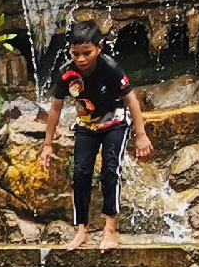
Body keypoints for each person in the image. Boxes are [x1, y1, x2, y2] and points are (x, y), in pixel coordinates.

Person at [37, 20, 155, 252]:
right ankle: (81, 230)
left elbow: (131, 99)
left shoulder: (109, 67)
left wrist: (140, 134)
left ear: (99, 48)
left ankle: (109, 230)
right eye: (75, 53)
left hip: (115, 124)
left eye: (86, 53)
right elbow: (55, 108)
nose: (80, 59)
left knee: (110, 170)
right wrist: (47, 144)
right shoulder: (66, 73)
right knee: (81, 172)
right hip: (86, 126)